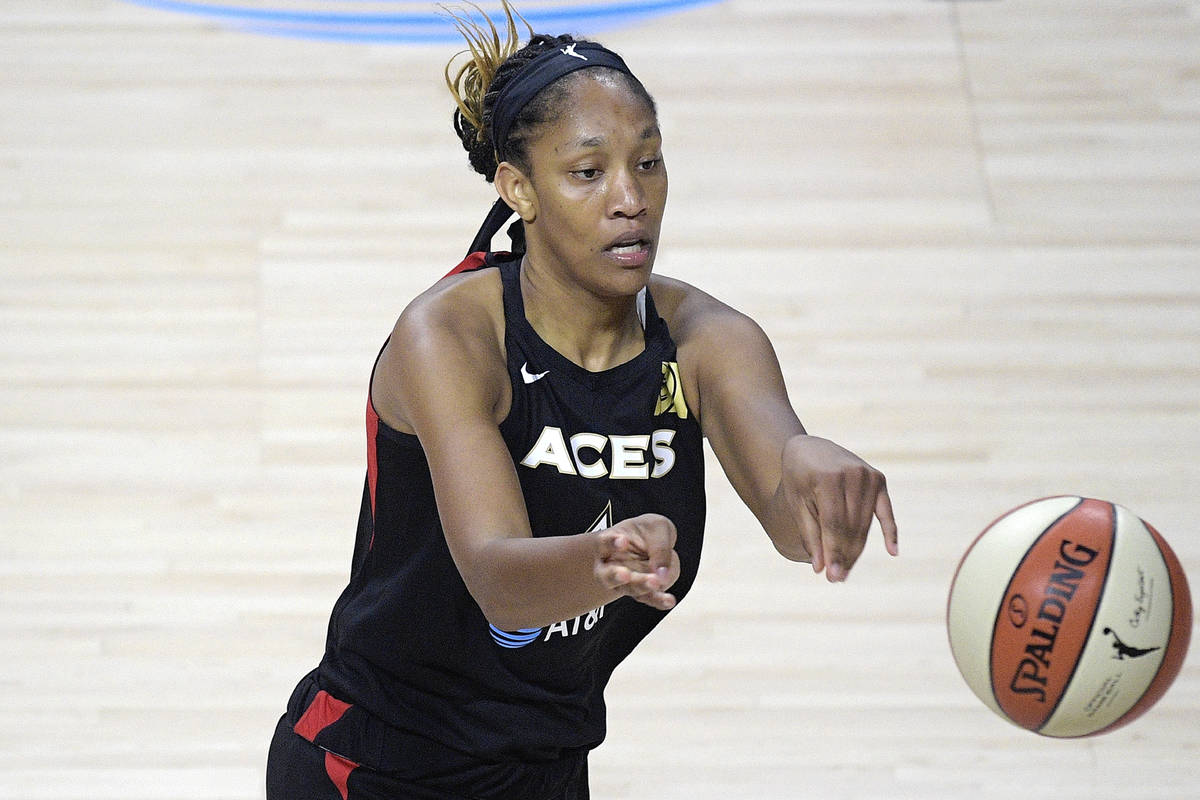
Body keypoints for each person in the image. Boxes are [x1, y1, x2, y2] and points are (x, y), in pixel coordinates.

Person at [266, 2, 898, 798]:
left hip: (545, 770)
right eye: (588, 173)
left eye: (650, 162)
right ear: (518, 189)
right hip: (376, 763)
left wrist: (812, 468)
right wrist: (603, 560)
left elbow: (790, 516)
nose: (630, 198)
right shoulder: (450, 339)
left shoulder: (709, 341)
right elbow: (498, 576)